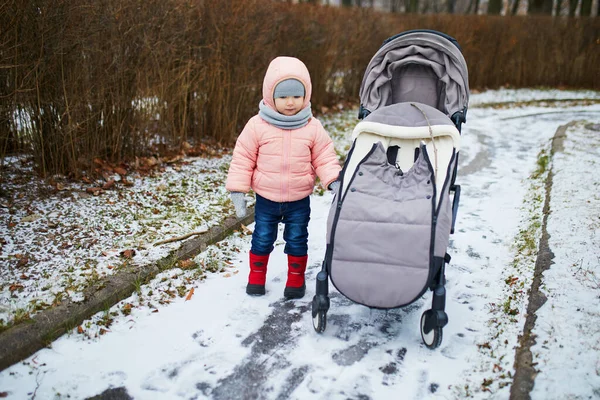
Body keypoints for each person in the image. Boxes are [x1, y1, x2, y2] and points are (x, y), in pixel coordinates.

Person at [225, 56, 341, 299]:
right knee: (263, 237)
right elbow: (243, 158)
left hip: (299, 199)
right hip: (267, 198)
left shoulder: (312, 126)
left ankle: (295, 281)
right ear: (271, 96)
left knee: (298, 238)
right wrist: (238, 190)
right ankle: (256, 278)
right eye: (284, 96)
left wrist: (333, 180)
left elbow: (324, 156)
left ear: (306, 96)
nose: (290, 103)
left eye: (297, 96)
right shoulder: (257, 126)